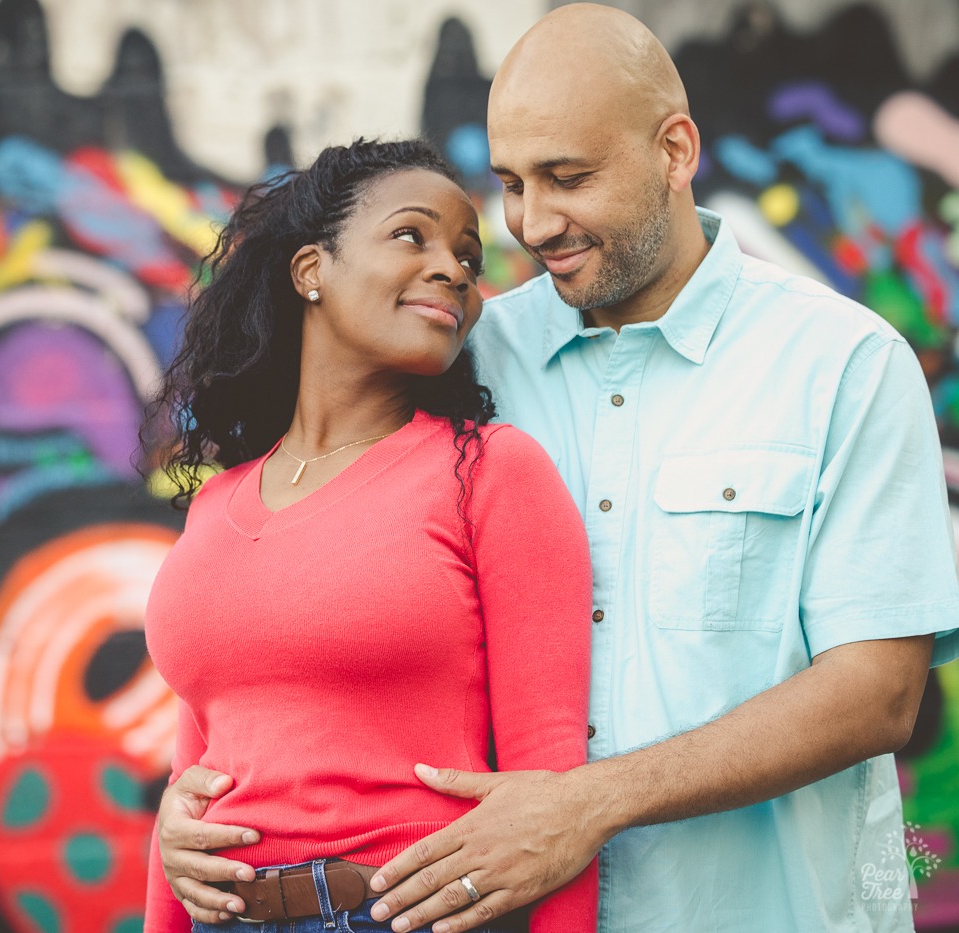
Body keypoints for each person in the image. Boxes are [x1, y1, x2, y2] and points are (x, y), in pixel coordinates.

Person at [152, 6, 959, 933]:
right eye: (511, 183)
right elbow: (304, 589)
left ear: (676, 150)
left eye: (567, 178)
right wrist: (199, 798)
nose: (533, 222)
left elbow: (877, 694)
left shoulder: (844, 365)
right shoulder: (465, 359)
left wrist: (590, 801)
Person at [142, 138, 598, 933]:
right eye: (411, 236)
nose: (455, 270)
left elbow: (550, 796)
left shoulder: (487, 471)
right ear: (311, 270)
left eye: (468, 255)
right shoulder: (217, 504)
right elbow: (196, 794)